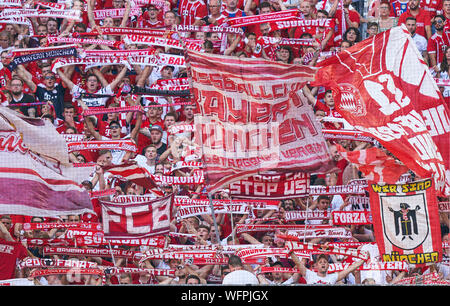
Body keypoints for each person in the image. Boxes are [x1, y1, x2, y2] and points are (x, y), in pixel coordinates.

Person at [290, 252, 365, 284]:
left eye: (325, 262)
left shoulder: (333, 277)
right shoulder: (309, 274)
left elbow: (350, 269)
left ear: (328, 266)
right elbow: (298, 262)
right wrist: (291, 252)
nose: (323, 263)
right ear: (316, 265)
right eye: (320, 262)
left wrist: (363, 260)